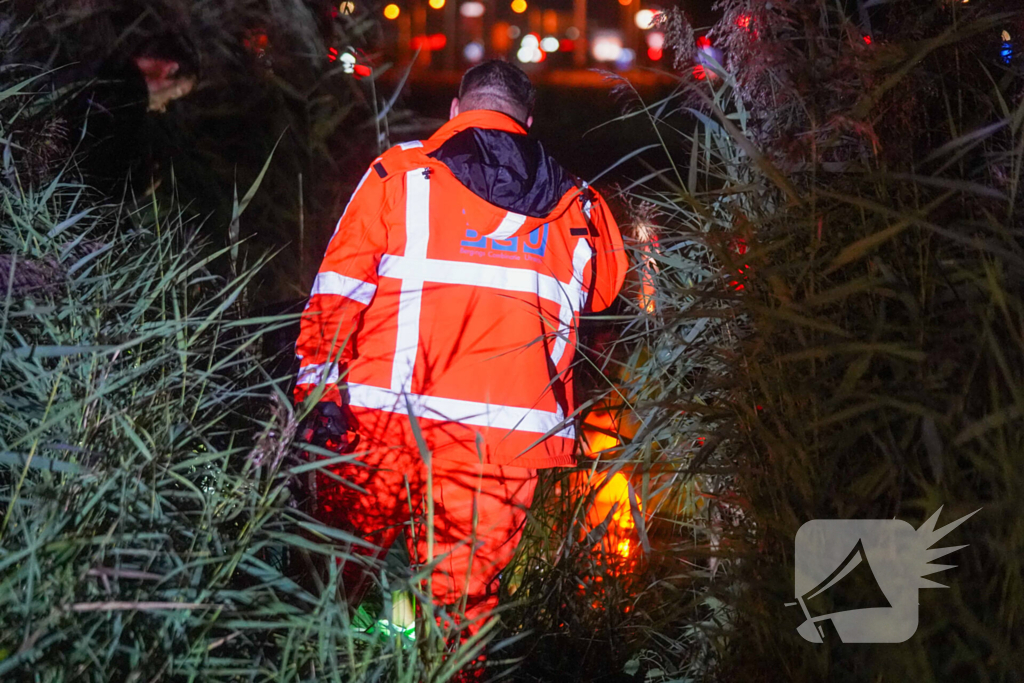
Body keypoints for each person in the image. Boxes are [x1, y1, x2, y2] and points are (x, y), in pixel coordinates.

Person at [294, 60, 627, 641]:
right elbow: (606, 288)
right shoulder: (580, 205)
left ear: (456, 110)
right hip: (502, 444)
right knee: (460, 619)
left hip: (383, 425)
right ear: (528, 120)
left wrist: (315, 393)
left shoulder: (397, 176)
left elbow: (337, 292)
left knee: (328, 593)